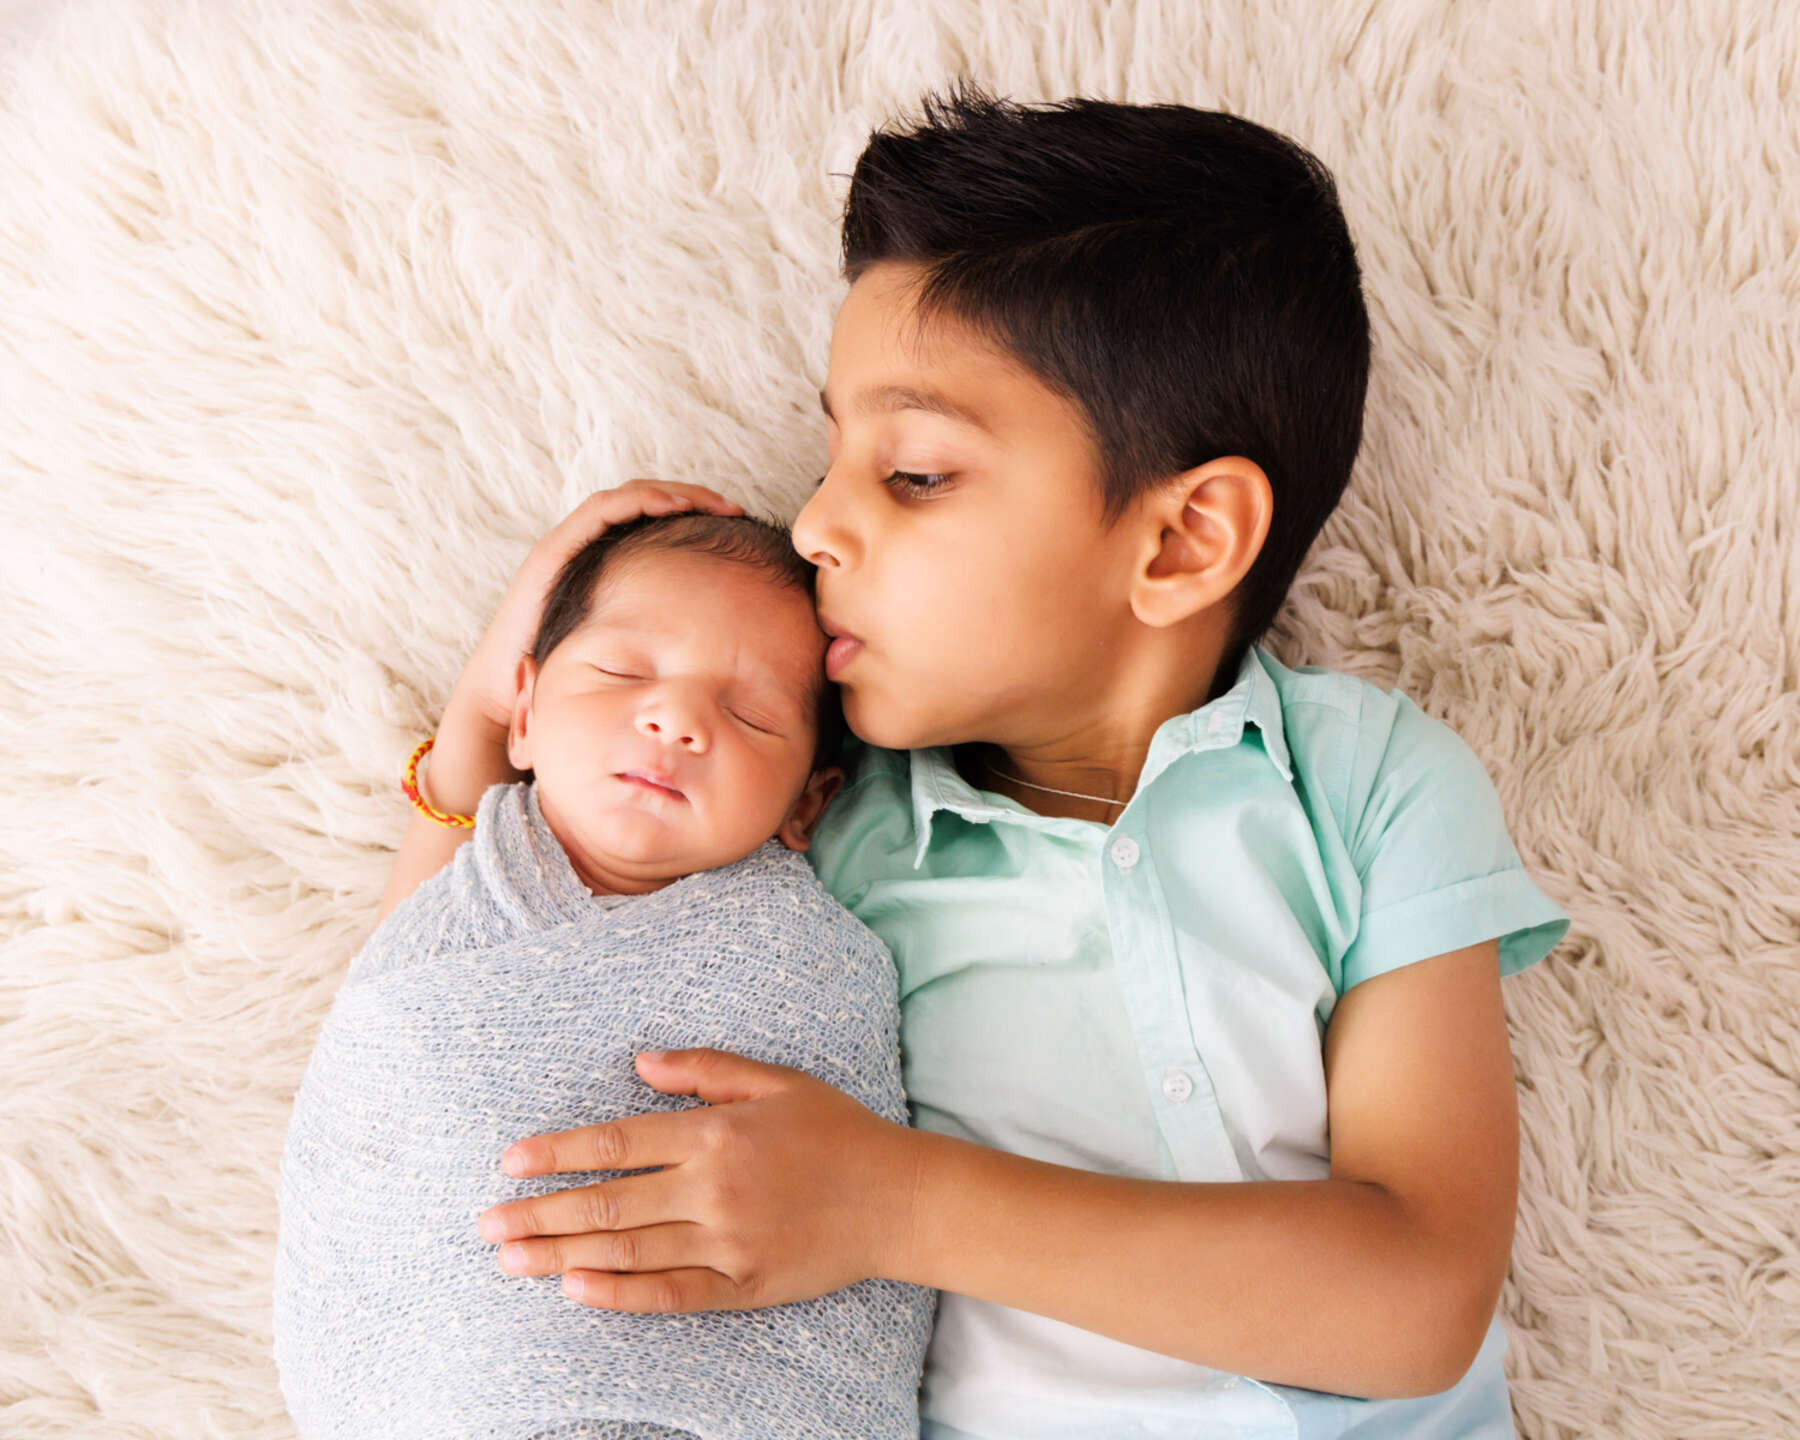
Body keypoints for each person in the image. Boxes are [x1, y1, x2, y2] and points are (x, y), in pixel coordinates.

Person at [378, 83, 1571, 1439]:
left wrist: (884, 1200)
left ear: (1180, 544)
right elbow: (454, 994)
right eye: (834, 452)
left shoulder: (1369, 787)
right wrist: (493, 709)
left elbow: (1416, 1305)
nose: (816, 523)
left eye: (917, 475)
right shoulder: (814, 821)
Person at [274, 513, 935, 1440]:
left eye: (749, 713)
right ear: (528, 714)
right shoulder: (463, 904)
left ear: (807, 803)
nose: (676, 720)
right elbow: (391, 1037)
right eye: (623, 672)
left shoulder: (802, 962)